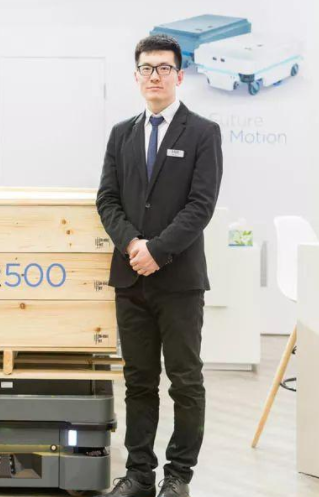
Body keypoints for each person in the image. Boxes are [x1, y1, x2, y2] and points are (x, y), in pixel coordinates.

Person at [96, 34, 223, 497]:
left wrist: (158, 250)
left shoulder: (203, 132)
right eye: (147, 68)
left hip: (180, 281)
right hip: (131, 278)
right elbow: (107, 199)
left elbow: (200, 205)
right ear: (136, 76)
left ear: (179, 76)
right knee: (138, 381)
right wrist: (133, 243)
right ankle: (139, 475)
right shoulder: (121, 134)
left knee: (185, 381)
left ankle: (178, 476)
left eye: (164, 68)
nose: (155, 76)